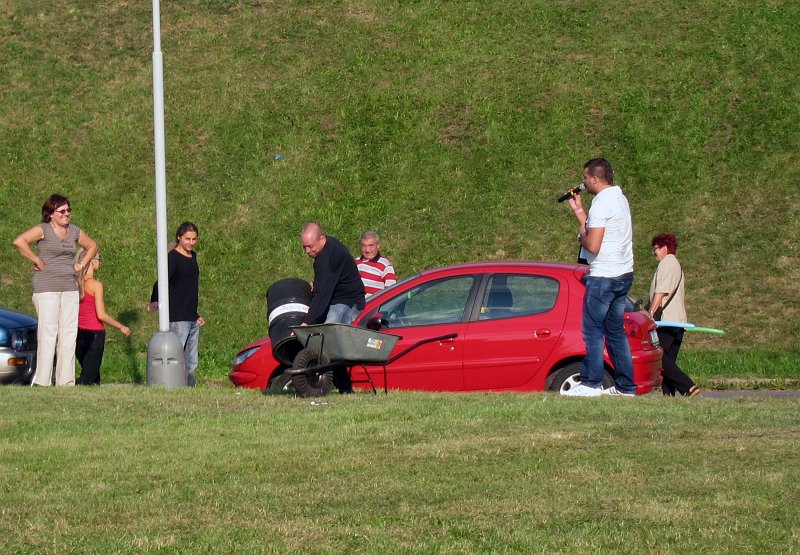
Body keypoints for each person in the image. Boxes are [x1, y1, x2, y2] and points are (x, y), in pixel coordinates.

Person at [563, 158, 636, 397]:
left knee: (592, 330)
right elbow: (598, 230)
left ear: (594, 179)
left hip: (604, 276)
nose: (583, 182)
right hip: (622, 274)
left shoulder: (602, 203)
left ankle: (591, 383)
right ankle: (626, 387)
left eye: (585, 178)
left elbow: (592, 244)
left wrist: (580, 236)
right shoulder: (619, 198)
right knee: (615, 331)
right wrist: (580, 213)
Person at [13, 194, 98, 386]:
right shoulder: (43, 229)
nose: (66, 214)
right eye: (62, 211)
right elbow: (20, 241)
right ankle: (42, 381)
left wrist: (82, 264)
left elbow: (92, 245)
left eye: (68, 210)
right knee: (48, 332)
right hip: (47, 288)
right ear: (51, 213)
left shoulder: (74, 230)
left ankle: (66, 382)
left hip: (70, 287)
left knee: (68, 334)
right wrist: (36, 259)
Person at [148, 222, 205, 387]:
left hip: (190, 317)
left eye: (194, 239)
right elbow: (160, 282)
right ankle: (174, 386)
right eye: (188, 239)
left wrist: (196, 314)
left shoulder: (193, 257)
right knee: (177, 356)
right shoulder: (172, 258)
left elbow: (189, 289)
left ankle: (189, 388)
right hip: (177, 317)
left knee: (191, 360)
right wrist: (154, 300)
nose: (191, 242)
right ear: (179, 237)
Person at [649, 234, 700, 397]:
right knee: (668, 359)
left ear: (664, 248)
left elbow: (662, 291)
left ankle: (688, 386)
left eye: (655, 249)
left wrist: (650, 314)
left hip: (667, 321)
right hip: (676, 321)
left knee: (658, 357)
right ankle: (668, 395)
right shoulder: (673, 264)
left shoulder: (668, 263)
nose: (654, 253)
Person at [76, 251, 131, 385]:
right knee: (88, 378)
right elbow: (101, 315)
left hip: (78, 334)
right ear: (92, 261)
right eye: (99, 258)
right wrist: (121, 326)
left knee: (93, 376)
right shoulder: (96, 285)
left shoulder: (75, 283)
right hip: (94, 334)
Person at [300, 222, 365, 325]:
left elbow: (322, 294)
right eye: (304, 247)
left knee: (329, 331)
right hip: (335, 295)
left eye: (310, 246)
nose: (307, 251)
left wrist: (306, 323)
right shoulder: (327, 245)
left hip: (349, 301)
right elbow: (326, 279)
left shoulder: (329, 258)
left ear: (321, 239)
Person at [355, 230, 397, 297]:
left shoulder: (385, 265)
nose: (367, 250)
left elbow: (391, 292)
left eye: (371, 245)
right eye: (364, 246)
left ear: (378, 246)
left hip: (373, 305)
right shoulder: (356, 262)